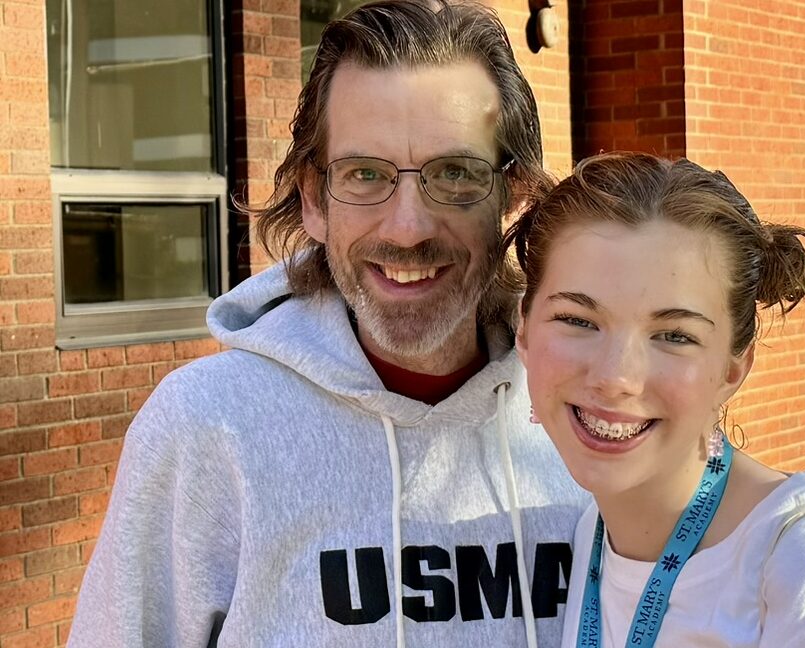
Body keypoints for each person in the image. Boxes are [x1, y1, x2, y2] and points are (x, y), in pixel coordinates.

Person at [68, 2, 586, 647]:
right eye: (364, 175)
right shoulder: (208, 426)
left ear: (512, 195)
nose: (408, 228)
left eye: (455, 174)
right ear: (312, 198)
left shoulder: (589, 411)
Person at [508, 152, 805, 647]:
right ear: (525, 332)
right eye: (578, 321)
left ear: (733, 368)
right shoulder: (591, 536)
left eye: (674, 335)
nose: (616, 377)